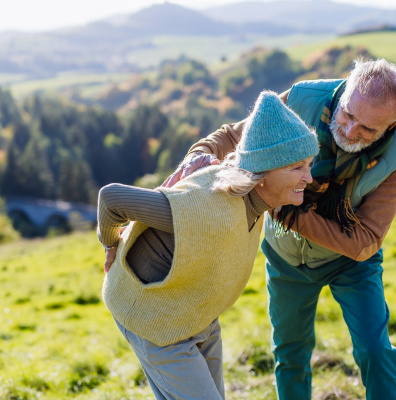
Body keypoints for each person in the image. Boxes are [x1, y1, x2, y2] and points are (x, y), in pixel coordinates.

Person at [167, 58, 396, 400]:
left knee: (375, 350)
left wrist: (289, 213)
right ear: (345, 90)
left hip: (352, 263)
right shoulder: (302, 99)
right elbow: (232, 136)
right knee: (290, 354)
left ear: (390, 127)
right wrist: (195, 158)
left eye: (367, 130)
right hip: (287, 258)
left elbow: (366, 242)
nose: (350, 132)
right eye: (348, 115)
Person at [97, 91, 319, 400]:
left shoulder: (256, 205)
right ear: (263, 174)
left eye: (309, 164)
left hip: (198, 317)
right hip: (156, 323)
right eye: (297, 168)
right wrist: (110, 245)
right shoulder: (204, 208)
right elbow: (112, 198)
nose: (308, 177)